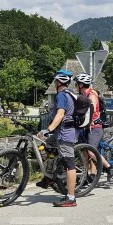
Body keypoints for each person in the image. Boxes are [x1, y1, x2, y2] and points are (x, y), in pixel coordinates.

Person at [36, 70, 78, 207]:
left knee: (69, 164)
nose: (54, 83)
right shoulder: (70, 94)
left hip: (65, 133)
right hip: (63, 132)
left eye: (55, 81)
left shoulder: (61, 95)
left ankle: (71, 198)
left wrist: (48, 130)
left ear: (59, 82)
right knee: (47, 145)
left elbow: (60, 114)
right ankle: (50, 177)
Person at [73, 73, 113, 181]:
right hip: (86, 127)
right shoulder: (83, 95)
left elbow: (92, 110)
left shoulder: (92, 95)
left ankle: (109, 168)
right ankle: (85, 177)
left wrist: (89, 120)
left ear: (81, 85)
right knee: (84, 153)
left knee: (91, 152)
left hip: (95, 127)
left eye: (76, 84)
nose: (75, 86)